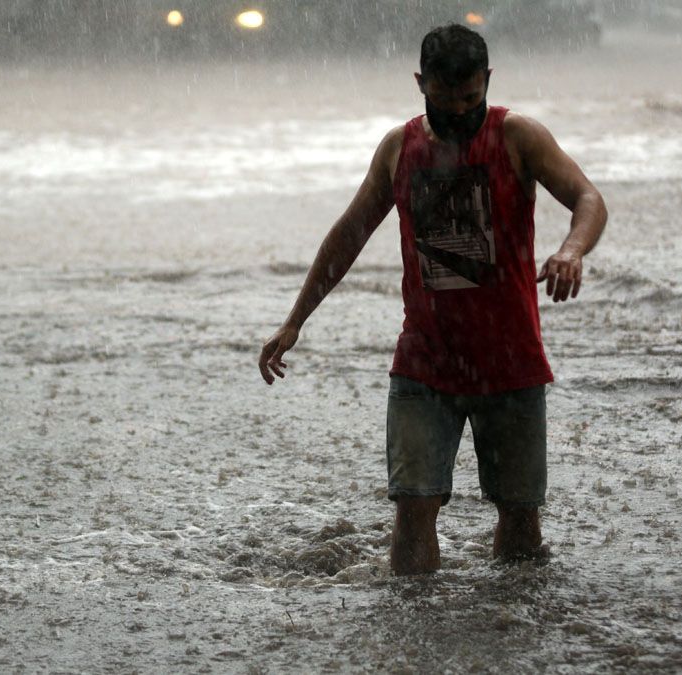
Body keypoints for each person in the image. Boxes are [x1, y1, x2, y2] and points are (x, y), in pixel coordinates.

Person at [257, 24, 607, 575]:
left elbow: (588, 197)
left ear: (487, 82)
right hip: (425, 364)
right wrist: (294, 320)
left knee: (519, 518)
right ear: (420, 84)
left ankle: (515, 631)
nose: (460, 113)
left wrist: (572, 250)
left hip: (511, 364)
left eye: (471, 100)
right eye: (444, 101)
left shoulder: (518, 137)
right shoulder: (401, 148)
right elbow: (350, 232)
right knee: (414, 508)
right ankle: (413, 636)